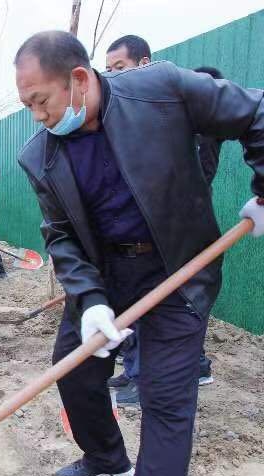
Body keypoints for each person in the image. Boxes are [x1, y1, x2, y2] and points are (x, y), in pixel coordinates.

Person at [14, 30, 263, 476]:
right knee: (74, 368)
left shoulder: (162, 90)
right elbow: (60, 236)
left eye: (41, 101)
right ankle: (107, 457)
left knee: (166, 404)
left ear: (79, 79)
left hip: (178, 269)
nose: (38, 115)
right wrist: (90, 302)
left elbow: (256, 112)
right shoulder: (39, 155)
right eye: (28, 106)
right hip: (107, 275)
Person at [103, 39, 216, 406]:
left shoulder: (180, 110)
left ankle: (154, 376)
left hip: (176, 229)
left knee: (172, 305)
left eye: (119, 67)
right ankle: (144, 369)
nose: (113, 76)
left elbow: (196, 172)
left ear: (144, 62)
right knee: (148, 302)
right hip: (152, 226)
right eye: (110, 68)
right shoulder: (133, 111)